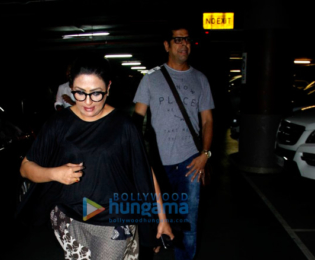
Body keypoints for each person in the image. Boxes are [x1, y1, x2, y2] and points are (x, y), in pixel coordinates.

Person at [20, 55, 173, 260]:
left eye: (96, 93)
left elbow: (144, 171)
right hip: (70, 216)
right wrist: (54, 173)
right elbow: (26, 167)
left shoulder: (123, 126)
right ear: (70, 88)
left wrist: (161, 218)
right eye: (80, 93)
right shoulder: (59, 124)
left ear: (108, 88)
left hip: (113, 219)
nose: (88, 102)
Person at [133, 24, 215, 260]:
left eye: (187, 40)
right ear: (167, 45)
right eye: (178, 40)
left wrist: (205, 154)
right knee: (153, 220)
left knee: (188, 222)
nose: (184, 44)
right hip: (157, 162)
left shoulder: (200, 79)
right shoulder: (151, 78)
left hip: (190, 162)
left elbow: (208, 120)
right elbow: (137, 120)